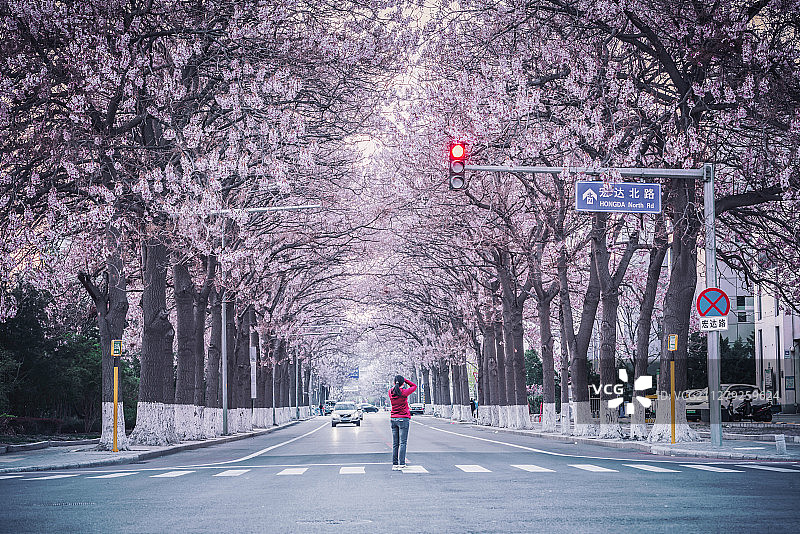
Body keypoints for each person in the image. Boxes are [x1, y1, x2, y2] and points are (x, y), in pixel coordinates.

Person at [388, 374, 416, 470]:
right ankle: (402, 463)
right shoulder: (404, 392)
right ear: (403, 383)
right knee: (403, 443)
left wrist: (399, 381)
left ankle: (395, 464)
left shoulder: (390, 392)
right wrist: (406, 380)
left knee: (395, 443)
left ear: (393, 382)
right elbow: (414, 386)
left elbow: (395, 388)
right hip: (403, 419)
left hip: (393, 419)